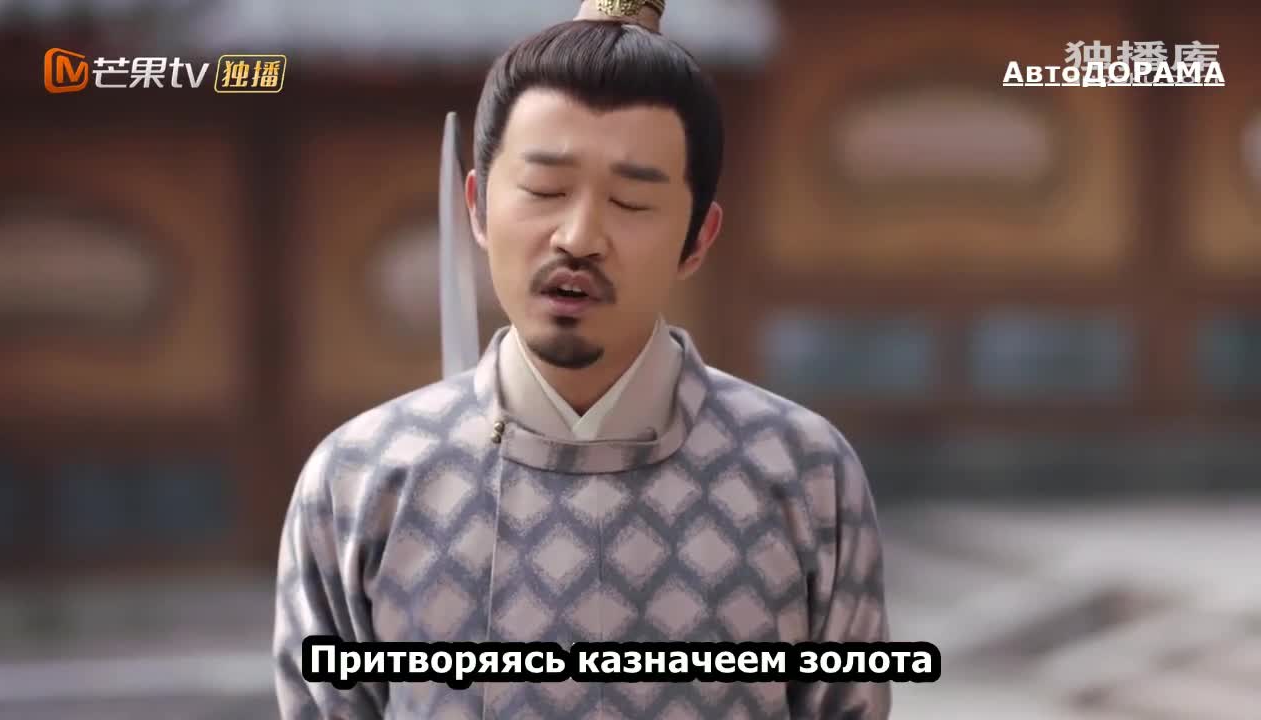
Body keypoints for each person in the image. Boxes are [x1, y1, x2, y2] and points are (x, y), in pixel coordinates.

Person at [273, 2, 891, 718]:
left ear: (698, 238)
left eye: (631, 201)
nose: (579, 236)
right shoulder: (360, 481)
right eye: (544, 190)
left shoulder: (804, 476)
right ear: (477, 206)